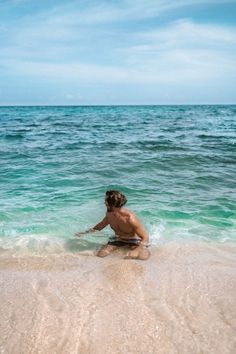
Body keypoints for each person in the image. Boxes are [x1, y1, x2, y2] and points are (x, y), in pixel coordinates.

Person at [75, 190, 150, 260]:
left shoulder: (130, 218)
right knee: (101, 255)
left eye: (106, 202)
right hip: (117, 239)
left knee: (143, 257)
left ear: (112, 204)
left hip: (133, 241)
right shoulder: (109, 214)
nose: (104, 203)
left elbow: (145, 237)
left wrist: (137, 250)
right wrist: (85, 232)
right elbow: (101, 225)